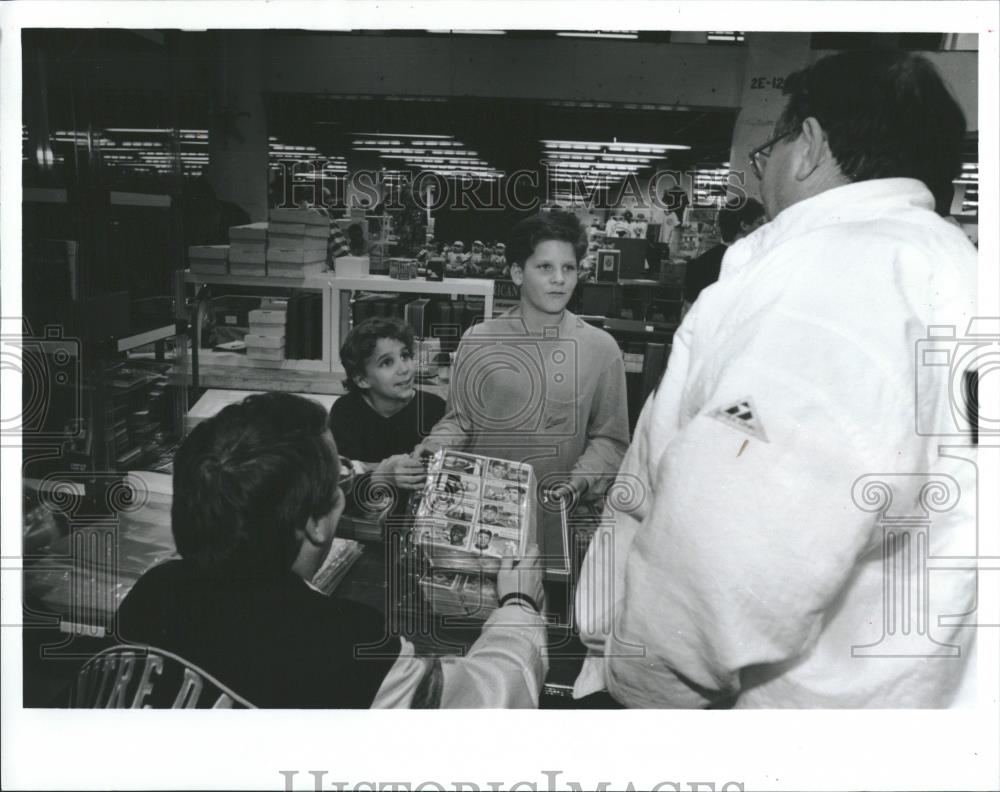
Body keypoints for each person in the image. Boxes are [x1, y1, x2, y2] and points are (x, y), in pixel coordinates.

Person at [575, 50, 977, 708]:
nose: (762, 173)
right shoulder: (957, 274)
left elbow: (727, 558)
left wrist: (636, 692)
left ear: (810, 146)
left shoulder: (835, 277)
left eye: (770, 148)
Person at [117, 392, 548, 708]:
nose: (345, 479)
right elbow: (485, 705)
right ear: (318, 523)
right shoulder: (350, 647)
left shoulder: (152, 592)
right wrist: (519, 604)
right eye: (337, 474)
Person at [419, 211, 629, 564]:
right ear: (518, 273)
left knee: (543, 612)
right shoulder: (478, 340)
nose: (559, 279)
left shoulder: (600, 349)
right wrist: (431, 450)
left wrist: (579, 482)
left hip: (554, 519)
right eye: (545, 267)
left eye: (569, 268)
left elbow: (610, 439)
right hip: (481, 520)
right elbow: (460, 421)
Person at [329, 317, 446, 495]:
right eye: (387, 362)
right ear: (362, 379)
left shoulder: (434, 408)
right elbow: (338, 485)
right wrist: (381, 477)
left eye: (405, 356)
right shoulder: (345, 411)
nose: (404, 369)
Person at [680, 198, 766, 314]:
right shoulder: (755, 263)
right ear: (744, 225)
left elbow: (687, 312)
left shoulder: (700, 263)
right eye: (760, 223)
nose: (765, 228)